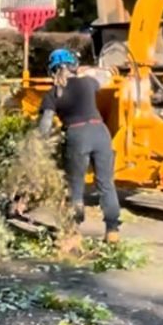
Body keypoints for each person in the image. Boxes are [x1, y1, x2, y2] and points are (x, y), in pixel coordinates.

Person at [38, 47, 121, 241]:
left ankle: (74, 229)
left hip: (77, 135)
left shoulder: (52, 94)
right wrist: (92, 70)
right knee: (106, 184)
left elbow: (45, 126)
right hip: (100, 132)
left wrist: (40, 145)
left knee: (75, 186)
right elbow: (106, 77)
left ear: (52, 69)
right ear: (73, 66)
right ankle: (112, 230)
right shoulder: (87, 83)